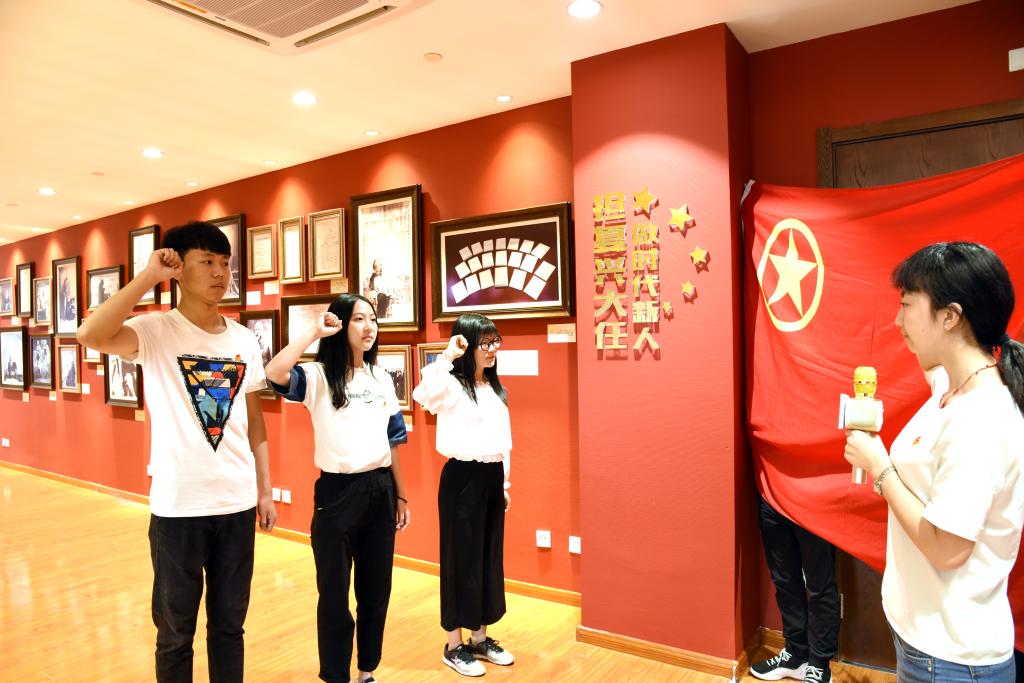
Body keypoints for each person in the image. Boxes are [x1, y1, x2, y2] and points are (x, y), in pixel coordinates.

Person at [77, 220, 277, 682]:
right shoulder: (155, 331)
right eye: (206, 262)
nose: (220, 273)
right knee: (174, 633)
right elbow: (90, 334)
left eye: (225, 263)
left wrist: (265, 490)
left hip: (236, 503)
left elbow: (255, 422)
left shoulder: (244, 339)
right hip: (178, 508)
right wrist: (148, 277)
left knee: (229, 628)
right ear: (179, 269)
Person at [844, 242, 1024, 681]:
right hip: (925, 640)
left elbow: (948, 548)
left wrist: (880, 469)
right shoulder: (954, 384)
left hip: (951, 659)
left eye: (907, 305)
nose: (897, 320)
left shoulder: (981, 420)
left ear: (950, 316)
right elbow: (935, 366)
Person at [265, 293, 409, 683]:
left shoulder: (382, 378)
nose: (369, 326)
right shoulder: (317, 376)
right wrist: (313, 332)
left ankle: (366, 671)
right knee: (333, 593)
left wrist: (400, 494)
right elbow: (275, 372)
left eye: (373, 319)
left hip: (380, 490)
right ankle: (335, 675)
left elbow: (394, 441)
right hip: (337, 495)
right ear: (341, 324)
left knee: (375, 592)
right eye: (359, 319)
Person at [412, 314, 515, 677]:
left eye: (495, 341)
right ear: (468, 345)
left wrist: (504, 485)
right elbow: (422, 394)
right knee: (460, 560)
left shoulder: (493, 388)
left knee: (487, 557)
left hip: (491, 478)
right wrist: (447, 356)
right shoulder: (452, 386)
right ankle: (454, 645)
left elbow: (503, 443)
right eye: (484, 343)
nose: (492, 349)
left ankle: (480, 637)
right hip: (462, 479)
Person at [750, 498, 839, 683]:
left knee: (819, 586)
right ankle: (796, 655)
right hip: (772, 499)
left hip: (813, 500)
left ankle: (819, 665)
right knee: (784, 582)